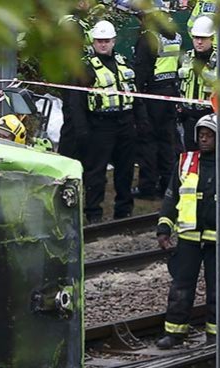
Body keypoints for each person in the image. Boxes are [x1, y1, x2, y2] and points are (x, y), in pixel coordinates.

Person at [67, 20, 150, 224]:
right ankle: (93, 213)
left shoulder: (124, 63)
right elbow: (76, 102)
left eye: (106, 41)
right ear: (93, 42)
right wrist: (81, 129)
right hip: (100, 125)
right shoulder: (86, 67)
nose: (103, 45)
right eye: (99, 41)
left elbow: (134, 93)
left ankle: (124, 212)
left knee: (125, 171)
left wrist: (142, 120)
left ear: (114, 41)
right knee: (96, 172)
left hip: (125, 123)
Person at [156, 114, 217, 349]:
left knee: (218, 289)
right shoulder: (185, 162)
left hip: (218, 239)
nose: (204, 140)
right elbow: (171, 198)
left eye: (209, 136)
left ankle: (216, 334)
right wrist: (164, 229)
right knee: (180, 287)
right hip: (188, 238)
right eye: (201, 135)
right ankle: (174, 333)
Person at [131, 4, 182, 200]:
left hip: (151, 96)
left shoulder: (148, 39)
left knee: (148, 142)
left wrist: (136, 98)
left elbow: (141, 73)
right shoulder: (174, 35)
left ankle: (147, 187)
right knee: (167, 142)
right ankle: (167, 185)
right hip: (170, 94)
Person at [57, 0, 103, 159]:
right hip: (73, 79)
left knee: (79, 122)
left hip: (80, 78)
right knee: (73, 123)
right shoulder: (72, 24)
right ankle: (67, 163)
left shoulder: (80, 22)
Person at [177, 16, 217, 151]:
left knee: (210, 157)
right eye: (196, 38)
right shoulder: (185, 59)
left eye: (203, 38)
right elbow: (180, 84)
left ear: (211, 38)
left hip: (210, 117)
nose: (199, 42)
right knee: (190, 156)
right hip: (188, 117)